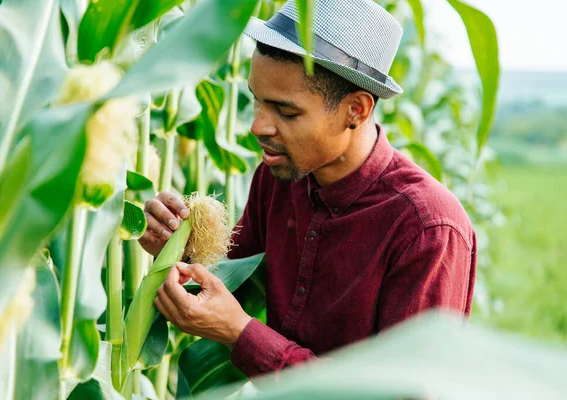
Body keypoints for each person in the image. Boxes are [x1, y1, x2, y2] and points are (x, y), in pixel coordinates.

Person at [139, 0, 477, 379]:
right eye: (256, 101)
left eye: (286, 112)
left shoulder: (428, 230)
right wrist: (175, 249)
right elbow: (229, 283)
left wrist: (242, 334)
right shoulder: (279, 174)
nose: (258, 126)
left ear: (357, 110)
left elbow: (403, 391)